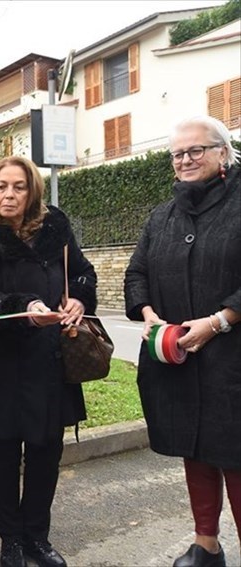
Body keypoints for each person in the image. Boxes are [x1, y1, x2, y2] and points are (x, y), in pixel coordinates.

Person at [0, 156, 96, 567]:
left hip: (50, 361)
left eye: (18, 186)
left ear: (32, 190)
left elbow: (85, 273)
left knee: (45, 453)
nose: (8, 194)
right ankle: (10, 539)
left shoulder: (56, 228)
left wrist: (78, 299)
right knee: (1, 455)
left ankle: (37, 536)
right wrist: (23, 306)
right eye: (1, 187)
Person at [124, 115, 240, 567]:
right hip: (179, 360)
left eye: (197, 150)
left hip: (231, 359)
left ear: (222, 153)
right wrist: (150, 315)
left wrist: (219, 321)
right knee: (195, 451)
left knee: (235, 454)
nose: (186, 159)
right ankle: (206, 545)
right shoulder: (162, 215)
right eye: (178, 153)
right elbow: (137, 273)